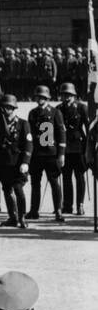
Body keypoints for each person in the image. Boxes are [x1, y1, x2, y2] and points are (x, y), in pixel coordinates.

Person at [0, 93, 32, 228]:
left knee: (18, 190)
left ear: (14, 108)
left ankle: (22, 217)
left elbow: (28, 144)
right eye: (4, 107)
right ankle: (12, 217)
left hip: (17, 164)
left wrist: (25, 162)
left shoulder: (23, 124)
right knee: (6, 190)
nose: (6, 110)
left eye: (9, 107)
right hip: (3, 163)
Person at [26, 85, 66, 222]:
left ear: (47, 98)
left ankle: (59, 210)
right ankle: (34, 210)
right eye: (38, 97)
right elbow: (30, 134)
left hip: (51, 153)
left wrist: (61, 154)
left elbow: (61, 134)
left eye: (43, 97)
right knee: (35, 183)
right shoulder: (32, 113)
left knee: (54, 182)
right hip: (36, 154)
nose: (40, 99)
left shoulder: (55, 112)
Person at [58, 81, 90, 214]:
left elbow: (89, 129)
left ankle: (80, 204)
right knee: (66, 177)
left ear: (74, 95)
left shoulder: (82, 108)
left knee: (80, 176)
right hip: (64, 147)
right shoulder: (58, 109)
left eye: (69, 95)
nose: (66, 98)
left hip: (78, 147)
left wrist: (89, 147)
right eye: (64, 95)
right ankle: (67, 205)